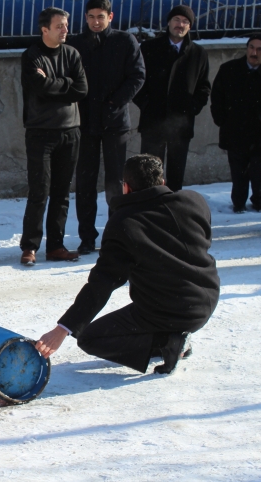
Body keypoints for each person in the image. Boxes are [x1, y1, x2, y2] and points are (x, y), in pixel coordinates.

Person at [34, 154, 220, 375]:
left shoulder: (125, 223)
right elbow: (204, 241)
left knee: (90, 338)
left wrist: (62, 329)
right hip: (206, 301)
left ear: (126, 187)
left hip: (165, 312)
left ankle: (168, 341)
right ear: (162, 182)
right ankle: (173, 342)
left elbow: (101, 283)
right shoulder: (194, 201)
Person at [67, 0, 145, 255]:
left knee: (117, 183)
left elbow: (137, 76)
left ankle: (116, 236)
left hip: (115, 122)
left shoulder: (124, 41)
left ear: (110, 17)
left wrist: (115, 103)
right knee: (85, 182)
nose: (95, 21)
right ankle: (86, 237)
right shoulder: (75, 43)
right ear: (85, 17)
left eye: (101, 16)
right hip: (84, 122)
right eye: (91, 16)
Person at [19, 7, 88, 266]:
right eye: (59, 26)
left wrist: (55, 83)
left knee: (62, 193)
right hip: (40, 134)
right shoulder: (32, 56)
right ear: (44, 29)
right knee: (39, 191)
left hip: (70, 131)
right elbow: (39, 87)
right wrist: (65, 84)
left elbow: (81, 89)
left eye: (66, 25)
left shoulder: (72, 54)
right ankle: (30, 246)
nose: (65, 30)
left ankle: (56, 246)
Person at [132, 5, 211, 192]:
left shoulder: (198, 54)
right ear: (169, 22)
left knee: (176, 175)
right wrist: (147, 104)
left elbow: (204, 88)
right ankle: (150, 207)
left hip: (181, 124)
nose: (180, 24)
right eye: (177, 20)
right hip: (153, 121)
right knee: (149, 173)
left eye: (185, 21)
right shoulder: (149, 48)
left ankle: (173, 209)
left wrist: (191, 108)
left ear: (190, 26)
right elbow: (137, 80)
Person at [210, 34, 261, 213]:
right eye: (252, 48)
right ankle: (238, 202)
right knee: (238, 172)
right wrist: (222, 120)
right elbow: (217, 98)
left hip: (259, 135)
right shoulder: (229, 70)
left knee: (258, 172)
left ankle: (258, 202)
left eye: (259, 49)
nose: (255, 52)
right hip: (235, 132)